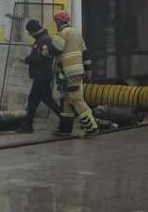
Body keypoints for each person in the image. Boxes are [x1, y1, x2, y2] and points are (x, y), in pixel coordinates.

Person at [49, 10, 100, 138]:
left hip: (68, 72)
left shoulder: (62, 33)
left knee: (76, 99)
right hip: (77, 71)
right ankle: (65, 128)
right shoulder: (76, 33)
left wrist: (46, 49)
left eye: (56, 21)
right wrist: (88, 70)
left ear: (59, 21)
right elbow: (85, 53)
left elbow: (55, 50)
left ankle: (92, 128)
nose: (56, 24)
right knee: (66, 99)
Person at [17, 19, 62, 134]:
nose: (29, 34)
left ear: (34, 30)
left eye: (30, 32)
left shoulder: (45, 40)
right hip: (42, 75)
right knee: (47, 99)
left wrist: (27, 59)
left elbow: (43, 57)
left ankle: (28, 125)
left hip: (43, 75)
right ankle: (65, 118)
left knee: (33, 100)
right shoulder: (41, 39)